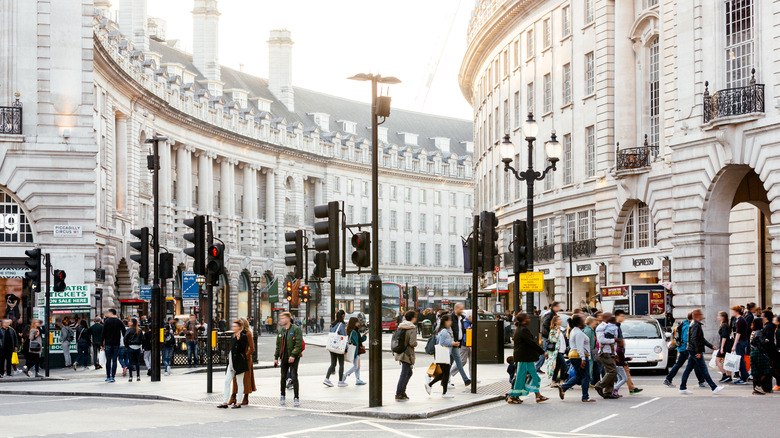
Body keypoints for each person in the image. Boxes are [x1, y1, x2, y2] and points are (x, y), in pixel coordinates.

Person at [679, 309, 723, 394]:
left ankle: (682, 387)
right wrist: (698, 352)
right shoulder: (695, 325)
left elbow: (701, 339)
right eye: (701, 314)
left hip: (692, 350)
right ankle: (714, 387)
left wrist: (711, 346)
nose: (702, 315)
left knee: (688, 369)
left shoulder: (695, 324)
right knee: (703, 369)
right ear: (697, 316)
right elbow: (694, 339)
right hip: (695, 350)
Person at [507, 313, 548, 404]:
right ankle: (512, 396)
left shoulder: (521, 329)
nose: (529, 320)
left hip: (526, 358)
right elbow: (532, 343)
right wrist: (542, 352)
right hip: (523, 358)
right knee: (520, 378)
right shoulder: (523, 330)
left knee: (534, 376)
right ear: (524, 320)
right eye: (527, 318)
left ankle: (538, 396)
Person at [557, 315, 595, 402]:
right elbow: (579, 347)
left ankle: (563, 387)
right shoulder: (579, 333)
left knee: (579, 376)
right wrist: (583, 359)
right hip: (579, 355)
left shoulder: (573, 331)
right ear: (579, 323)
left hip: (574, 355)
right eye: (583, 321)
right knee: (585, 376)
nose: (584, 322)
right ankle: (585, 396)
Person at [664, 312, 705, 387]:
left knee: (679, 364)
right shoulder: (688, 326)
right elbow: (687, 339)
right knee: (695, 365)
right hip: (687, 349)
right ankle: (701, 381)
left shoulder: (684, 324)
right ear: (692, 318)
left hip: (682, 348)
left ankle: (668, 379)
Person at [218, 320, 248, 409]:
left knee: (239, 382)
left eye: (235, 326)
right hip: (231, 362)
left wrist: (238, 340)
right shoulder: (232, 336)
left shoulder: (243, 337)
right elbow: (231, 349)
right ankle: (225, 402)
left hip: (239, 363)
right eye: (233, 326)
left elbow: (242, 349)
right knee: (227, 381)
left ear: (240, 327)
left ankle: (238, 402)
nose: (233, 328)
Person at [274, 312, 302, 407]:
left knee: (294, 376)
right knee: (283, 377)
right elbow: (278, 345)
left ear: (288, 319)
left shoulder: (296, 329)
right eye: (281, 318)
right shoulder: (281, 331)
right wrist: (276, 357)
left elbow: (299, 344)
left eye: (283, 318)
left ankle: (296, 397)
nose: (281, 320)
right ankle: (282, 395)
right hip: (284, 357)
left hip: (293, 357)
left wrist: (293, 355)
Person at [425, 313, 454, 399]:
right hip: (443, 354)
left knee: (444, 373)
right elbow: (442, 342)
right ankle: (441, 391)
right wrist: (452, 343)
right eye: (450, 320)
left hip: (442, 354)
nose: (451, 322)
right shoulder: (444, 331)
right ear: (446, 321)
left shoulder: (442, 329)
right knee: (445, 373)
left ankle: (431, 384)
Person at [231, 317, 256, 406]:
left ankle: (246, 397)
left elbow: (252, 348)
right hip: (237, 358)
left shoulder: (248, 334)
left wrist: (245, 356)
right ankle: (233, 396)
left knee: (246, 379)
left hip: (245, 359)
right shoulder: (237, 333)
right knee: (235, 378)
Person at [594, 313, 619, 399]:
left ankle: (608, 392)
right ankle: (599, 385)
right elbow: (601, 340)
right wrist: (613, 340)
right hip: (605, 352)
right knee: (613, 371)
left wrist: (615, 353)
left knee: (610, 372)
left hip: (611, 352)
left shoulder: (612, 327)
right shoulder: (601, 327)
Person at [394, 311, 418, 400]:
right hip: (407, 353)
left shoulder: (401, 326)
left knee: (408, 372)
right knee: (404, 373)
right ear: (413, 318)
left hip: (401, 351)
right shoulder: (412, 328)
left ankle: (402, 391)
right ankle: (399, 393)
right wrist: (416, 343)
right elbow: (412, 343)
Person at [449, 304, 472, 386]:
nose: (462, 310)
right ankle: (466, 380)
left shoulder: (462, 318)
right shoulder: (450, 317)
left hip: (457, 343)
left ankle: (445, 380)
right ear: (456, 308)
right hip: (451, 343)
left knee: (453, 362)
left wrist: (466, 331)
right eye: (461, 309)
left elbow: (461, 330)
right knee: (458, 362)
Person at [324, 310, 347, 387]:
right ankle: (340, 381)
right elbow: (343, 337)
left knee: (333, 363)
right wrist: (345, 348)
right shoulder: (342, 325)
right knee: (341, 364)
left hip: (332, 346)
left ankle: (326, 379)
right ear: (343, 315)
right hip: (339, 346)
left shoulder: (333, 324)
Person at [536, 302, 560, 371]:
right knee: (545, 351)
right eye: (558, 306)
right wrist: (551, 332)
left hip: (547, 335)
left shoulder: (552, 314)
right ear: (554, 307)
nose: (559, 308)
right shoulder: (550, 314)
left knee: (547, 351)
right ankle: (537, 366)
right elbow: (545, 324)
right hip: (547, 336)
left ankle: (538, 366)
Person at [749, 318, 770, 395]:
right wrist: (767, 340)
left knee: (755, 372)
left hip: (752, 352)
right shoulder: (759, 332)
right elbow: (762, 343)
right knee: (766, 370)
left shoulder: (753, 332)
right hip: (759, 352)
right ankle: (758, 386)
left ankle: (755, 388)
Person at [544, 315, 567, 387]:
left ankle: (553, 381)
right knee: (564, 366)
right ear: (555, 322)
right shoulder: (553, 330)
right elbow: (552, 339)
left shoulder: (561, 329)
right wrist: (557, 333)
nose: (561, 320)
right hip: (557, 351)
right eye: (559, 319)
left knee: (558, 366)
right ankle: (561, 380)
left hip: (562, 350)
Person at [344, 317, 367, 386]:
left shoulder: (355, 330)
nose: (358, 323)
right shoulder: (354, 331)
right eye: (357, 322)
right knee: (356, 366)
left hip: (356, 351)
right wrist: (356, 353)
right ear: (354, 323)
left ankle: (358, 379)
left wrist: (364, 336)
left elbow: (359, 340)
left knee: (357, 366)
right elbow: (356, 342)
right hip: (355, 351)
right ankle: (345, 375)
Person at [102, 309, 124, 382]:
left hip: (108, 343)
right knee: (114, 360)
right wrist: (126, 343)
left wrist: (101, 343)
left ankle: (108, 376)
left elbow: (103, 333)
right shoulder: (119, 322)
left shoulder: (107, 321)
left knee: (108, 360)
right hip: (116, 343)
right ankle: (113, 376)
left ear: (111, 313)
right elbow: (124, 332)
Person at [730, 305, 750, 384]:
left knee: (740, 360)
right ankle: (744, 375)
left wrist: (734, 345)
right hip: (742, 341)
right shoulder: (740, 319)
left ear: (736, 311)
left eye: (733, 311)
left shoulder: (740, 320)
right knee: (740, 359)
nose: (732, 312)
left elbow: (738, 334)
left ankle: (744, 377)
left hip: (740, 342)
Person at [715, 311, 733, 383]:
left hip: (725, 346)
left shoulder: (724, 325)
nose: (718, 317)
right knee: (726, 360)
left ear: (723, 317)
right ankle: (728, 376)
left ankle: (725, 375)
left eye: (719, 316)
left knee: (717, 360)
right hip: (727, 345)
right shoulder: (725, 325)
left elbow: (724, 337)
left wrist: (721, 347)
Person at [583, 316, 600, 385]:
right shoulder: (588, 330)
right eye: (594, 321)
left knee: (591, 366)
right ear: (591, 322)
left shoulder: (591, 330)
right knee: (589, 367)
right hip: (588, 351)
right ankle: (587, 381)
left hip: (590, 351)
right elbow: (586, 341)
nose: (596, 323)